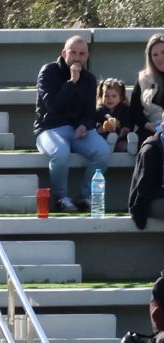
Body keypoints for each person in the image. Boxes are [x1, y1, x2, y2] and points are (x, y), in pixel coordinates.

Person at [36, 35, 111, 212]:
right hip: (49, 129)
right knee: (60, 153)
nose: (77, 58)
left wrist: (85, 125)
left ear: (87, 57)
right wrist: (72, 82)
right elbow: (52, 106)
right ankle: (61, 198)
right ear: (64, 53)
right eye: (73, 52)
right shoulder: (48, 72)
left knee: (103, 151)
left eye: (82, 54)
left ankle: (85, 196)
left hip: (77, 131)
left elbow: (89, 113)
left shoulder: (90, 79)